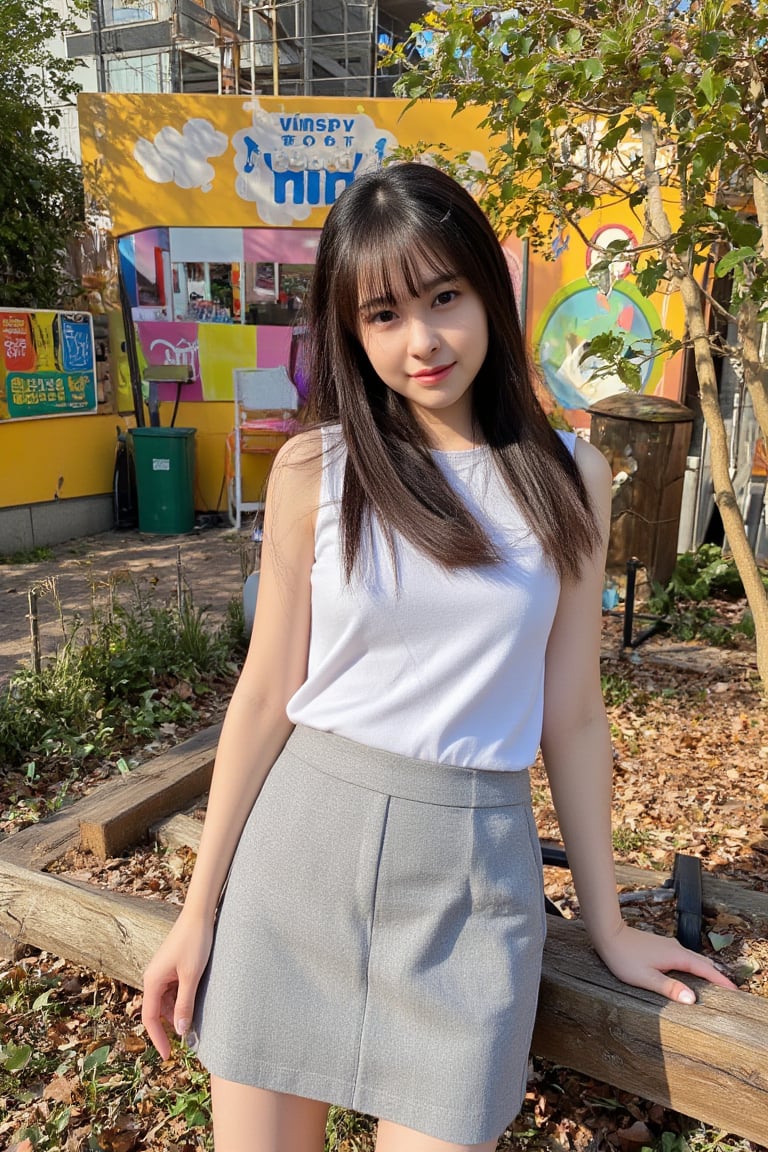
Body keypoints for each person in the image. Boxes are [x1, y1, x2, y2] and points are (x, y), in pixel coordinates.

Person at [142, 163, 735, 1152]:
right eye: (382, 314)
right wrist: (197, 915)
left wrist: (607, 924)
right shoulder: (311, 472)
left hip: (471, 887)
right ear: (350, 332)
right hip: (296, 872)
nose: (419, 340)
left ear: (488, 294)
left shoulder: (567, 477)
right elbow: (262, 701)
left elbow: (574, 717)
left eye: (443, 298)